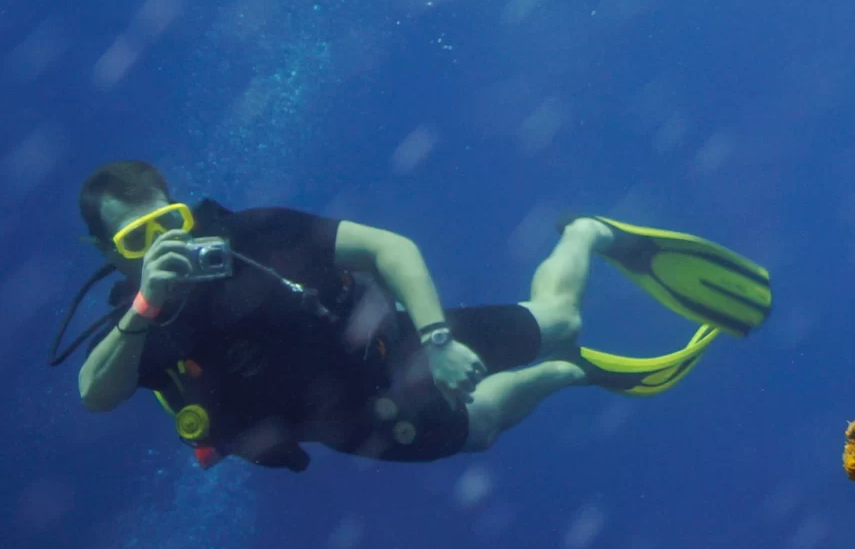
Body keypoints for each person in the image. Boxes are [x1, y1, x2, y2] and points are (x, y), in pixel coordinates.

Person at [59, 160, 771, 471]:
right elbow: (94, 394)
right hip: (349, 426)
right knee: (481, 430)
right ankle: (567, 375)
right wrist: (147, 304)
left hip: (397, 348)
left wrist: (433, 340)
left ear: (184, 206)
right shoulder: (143, 320)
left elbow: (389, 249)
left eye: (170, 222)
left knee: (558, 317)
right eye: (135, 240)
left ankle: (586, 234)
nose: (165, 246)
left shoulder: (257, 235)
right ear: (108, 251)